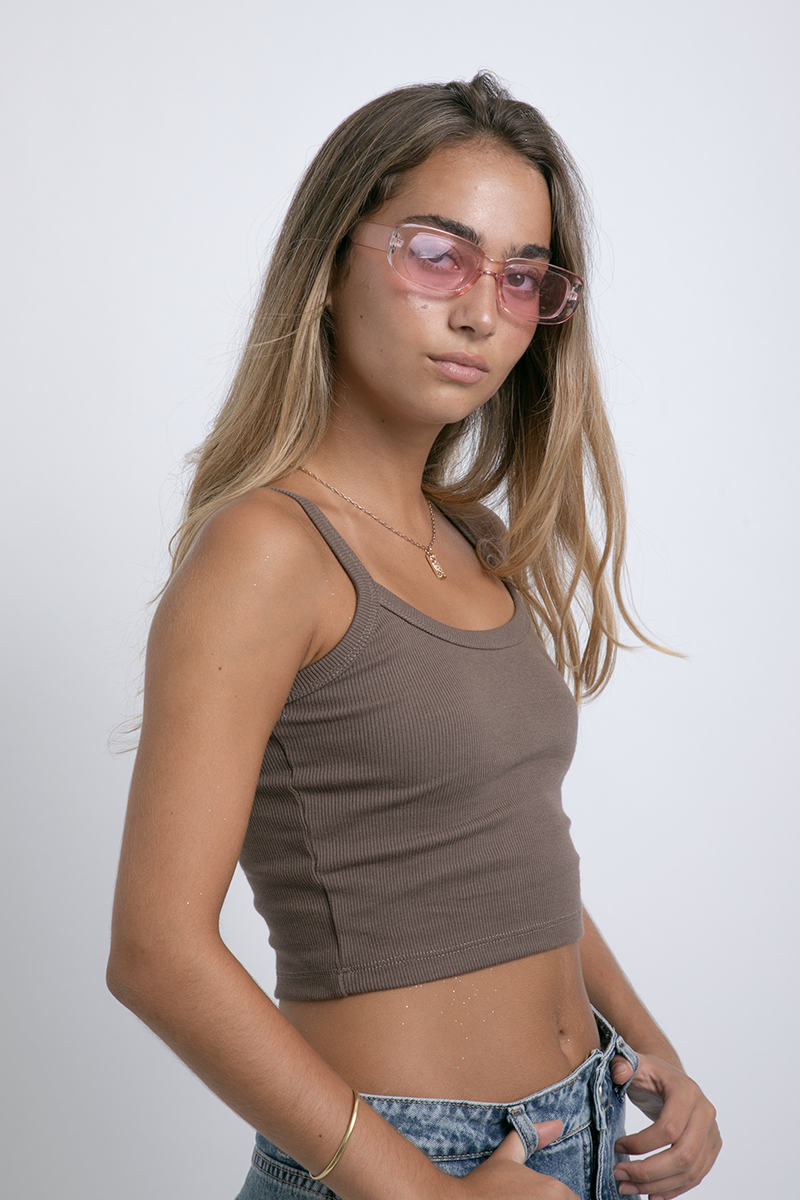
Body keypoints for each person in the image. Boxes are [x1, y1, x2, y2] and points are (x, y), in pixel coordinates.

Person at [107, 73, 720, 1200]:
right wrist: (423, 1193)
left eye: (523, 276)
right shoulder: (269, 551)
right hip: (402, 1162)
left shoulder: (471, 542)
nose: (483, 312)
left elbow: (504, 862)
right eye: (438, 254)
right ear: (329, 265)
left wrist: (649, 1051)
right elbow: (156, 954)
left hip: (577, 1131)